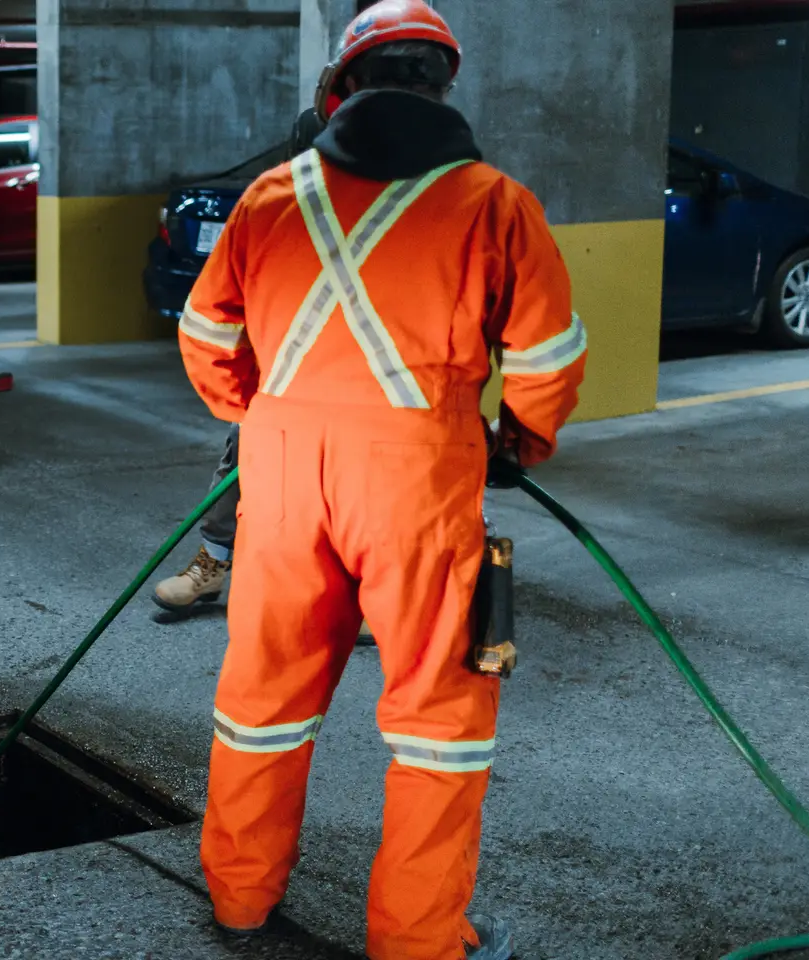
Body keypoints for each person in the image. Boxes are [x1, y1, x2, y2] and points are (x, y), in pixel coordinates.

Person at [176, 2, 588, 957]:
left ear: (339, 91)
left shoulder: (273, 195)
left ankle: (239, 898)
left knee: (262, 697)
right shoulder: (495, 202)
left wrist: (260, 420)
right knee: (440, 716)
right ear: (443, 88)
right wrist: (519, 443)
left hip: (280, 480)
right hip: (419, 482)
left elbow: (206, 340)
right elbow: (546, 360)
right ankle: (418, 939)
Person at [153, 106, 326, 615]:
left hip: (365, 394)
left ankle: (360, 596)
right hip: (281, 382)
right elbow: (213, 317)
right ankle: (212, 564)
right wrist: (241, 404)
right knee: (240, 458)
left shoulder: (403, 214)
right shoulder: (274, 211)